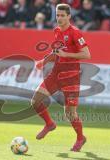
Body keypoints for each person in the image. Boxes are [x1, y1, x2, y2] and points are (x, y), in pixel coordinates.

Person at [32, 4, 91, 152]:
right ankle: (49, 124)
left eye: (62, 15)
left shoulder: (75, 33)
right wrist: (43, 62)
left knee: (69, 113)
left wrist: (67, 55)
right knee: (35, 100)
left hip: (71, 76)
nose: (59, 18)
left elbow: (86, 54)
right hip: (56, 73)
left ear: (69, 16)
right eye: (57, 15)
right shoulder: (56, 30)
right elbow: (56, 52)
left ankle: (80, 138)